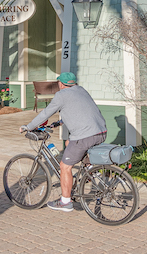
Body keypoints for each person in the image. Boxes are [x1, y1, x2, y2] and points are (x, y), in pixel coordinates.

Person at [20, 72, 107, 212]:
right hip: (101, 132)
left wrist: (28, 126)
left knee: (65, 166)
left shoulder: (61, 95)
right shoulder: (81, 90)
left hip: (85, 136)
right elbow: (79, 111)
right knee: (69, 144)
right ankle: (90, 171)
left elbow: (45, 113)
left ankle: (65, 202)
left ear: (60, 84)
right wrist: (59, 122)